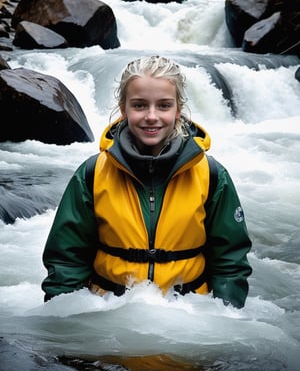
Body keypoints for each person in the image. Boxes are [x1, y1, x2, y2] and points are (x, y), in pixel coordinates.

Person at [42, 55, 252, 308]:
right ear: (123, 109)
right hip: (107, 314)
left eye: (164, 106)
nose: (152, 116)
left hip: (192, 315)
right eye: (139, 105)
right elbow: (67, 258)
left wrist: (225, 318)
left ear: (178, 109)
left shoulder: (211, 174)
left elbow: (230, 259)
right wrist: (65, 320)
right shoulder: (92, 173)